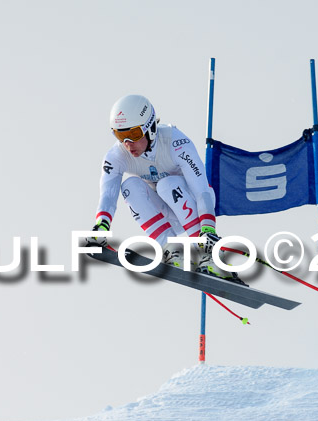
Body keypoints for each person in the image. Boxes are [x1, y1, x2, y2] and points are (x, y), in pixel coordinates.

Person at [87, 94, 237, 281]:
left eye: (133, 135)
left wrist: (208, 229)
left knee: (168, 184)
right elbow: (108, 193)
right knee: (129, 186)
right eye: (120, 135)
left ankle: (209, 254)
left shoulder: (175, 142)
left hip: (196, 207)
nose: (127, 143)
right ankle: (172, 250)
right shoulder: (116, 155)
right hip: (166, 212)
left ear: (150, 128)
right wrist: (102, 225)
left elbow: (202, 190)